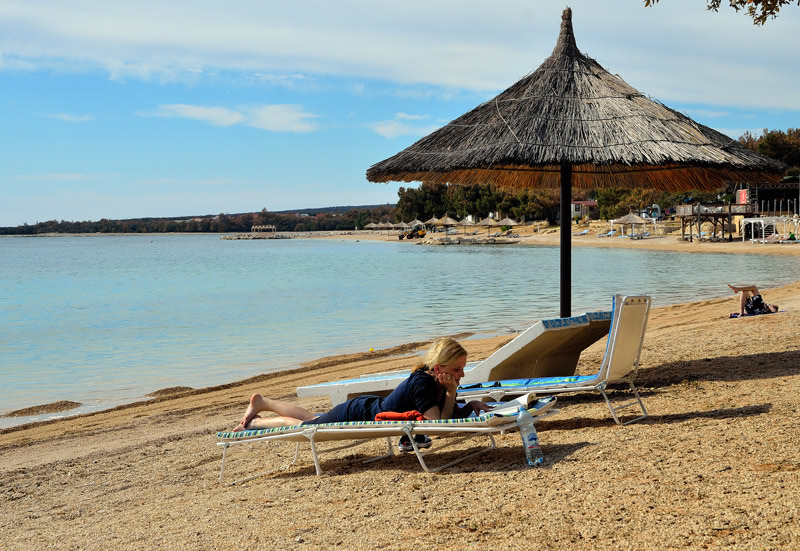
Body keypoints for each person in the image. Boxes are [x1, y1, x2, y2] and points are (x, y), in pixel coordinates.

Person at [233, 337, 492, 434]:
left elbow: (447, 414)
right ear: (439, 369)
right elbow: (436, 425)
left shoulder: (432, 381)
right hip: (357, 413)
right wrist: (453, 393)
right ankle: (256, 422)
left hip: (364, 405)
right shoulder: (424, 383)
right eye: (457, 369)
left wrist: (471, 404)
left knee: (314, 417)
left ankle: (264, 403)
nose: (462, 373)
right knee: (306, 426)